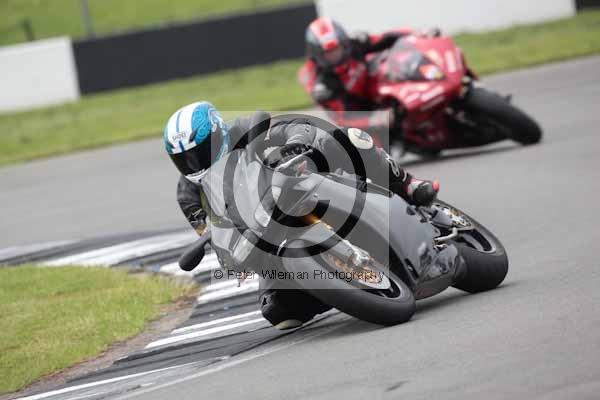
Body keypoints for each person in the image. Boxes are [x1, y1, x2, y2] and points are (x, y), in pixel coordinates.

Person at [164, 101, 439, 330]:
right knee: (279, 312)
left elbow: (292, 127)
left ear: (218, 133)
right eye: (184, 159)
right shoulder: (188, 194)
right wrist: (225, 250)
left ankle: (406, 184)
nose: (194, 162)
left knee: (345, 139)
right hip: (265, 233)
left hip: (297, 186)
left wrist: (295, 143)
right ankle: (340, 285)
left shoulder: (244, 129)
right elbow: (211, 234)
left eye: (199, 152)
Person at [300, 16, 438, 133]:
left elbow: (386, 38)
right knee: (370, 147)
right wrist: (376, 119)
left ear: (344, 43)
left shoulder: (355, 44)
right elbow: (344, 118)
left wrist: (418, 34)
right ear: (318, 54)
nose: (334, 55)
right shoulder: (323, 86)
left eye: (337, 49)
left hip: (373, 88)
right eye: (328, 53)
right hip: (358, 112)